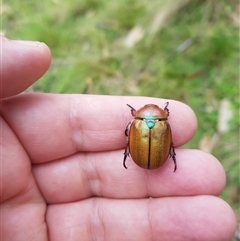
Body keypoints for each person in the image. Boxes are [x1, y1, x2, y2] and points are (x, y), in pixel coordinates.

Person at [0, 36, 236, 241]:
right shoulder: (165, 125)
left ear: (139, 114)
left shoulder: (134, 123)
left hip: (141, 153)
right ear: (163, 114)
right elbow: (166, 140)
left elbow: (129, 135)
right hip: (156, 156)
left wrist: (130, 143)